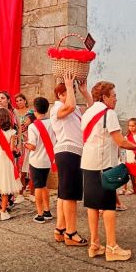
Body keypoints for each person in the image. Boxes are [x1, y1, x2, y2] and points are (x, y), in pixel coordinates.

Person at [81, 81, 136, 261]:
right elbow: (120, 141)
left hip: (88, 163)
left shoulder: (88, 112)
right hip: (103, 164)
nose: (116, 99)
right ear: (104, 97)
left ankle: (95, 244)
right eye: (113, 96)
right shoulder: (109, 113)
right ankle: (112, 247)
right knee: (108, 205)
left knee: (92, 205)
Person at [50, 72, 93, 246]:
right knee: (70, 196)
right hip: (67, 152)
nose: (72, 96)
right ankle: (71, 232)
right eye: (68, 93)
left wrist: (84, 92)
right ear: (60, 95)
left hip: (73, 152)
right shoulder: (57, 108)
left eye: (73, 93)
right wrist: (68, 85)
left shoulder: (74, 109)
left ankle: (60, 229)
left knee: (64, 194)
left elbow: (92, 111)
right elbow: (70, 106)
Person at [25, 97, 56, 223]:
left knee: (38, 186)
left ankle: (40, 213)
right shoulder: (52, 123)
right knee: (44, 186)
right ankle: (47, 210)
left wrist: (25, 144)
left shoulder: (33, 126)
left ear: (35, 109)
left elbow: (32, 146)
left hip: (36, 160)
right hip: (48, 159)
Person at [14, 93, 33, 197]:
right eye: (17, 101)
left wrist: (23, 126)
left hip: (27, 141)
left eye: (20, 100)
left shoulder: (30, 112)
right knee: (20, 167)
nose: (19, 102)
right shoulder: (14, 112)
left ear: (25, 101)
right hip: (17, 142)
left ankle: (28, 190)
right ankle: (21, 191)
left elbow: (27, 123)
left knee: (27, 166)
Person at [118, 118, 136, 195]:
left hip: (132, 156)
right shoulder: (126, 136)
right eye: (129, 126)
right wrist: (122, 157)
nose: (131, 127)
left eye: (133, 126)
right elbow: (123, 147)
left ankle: (132, 188)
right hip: (126, 155)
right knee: (124, 172)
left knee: (132, 173)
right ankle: (123, 188)